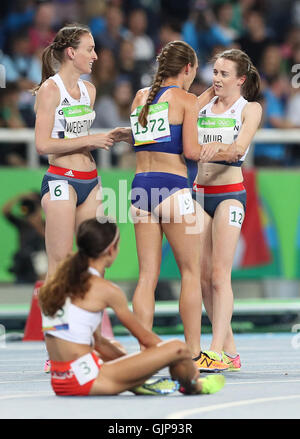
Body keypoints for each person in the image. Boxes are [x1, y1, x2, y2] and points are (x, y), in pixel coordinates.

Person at [129, 40, 234, 371]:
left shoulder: (140, 97)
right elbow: (189, 150)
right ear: (188, 69)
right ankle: (192, 351)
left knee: (147, 276)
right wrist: (219, 148)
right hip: (173, 189)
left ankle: (145, 352)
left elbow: (149, 137)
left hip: (140, 189)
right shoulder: (186, 99)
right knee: (190, 272)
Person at [39, 217, 225, 396]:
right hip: (86, 380)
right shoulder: (105, 289)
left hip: (60, 381)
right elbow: (146, 339)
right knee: (178, 347)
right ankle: (194, 385)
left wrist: (136, 368)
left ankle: (136, 384)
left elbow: (99, 343)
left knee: (113, 345)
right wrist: (181, 360)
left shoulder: (57, 282)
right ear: (111, 249)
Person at [34, 24, 125, 280]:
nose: (95, 56)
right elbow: (42, 144)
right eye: (90, 49)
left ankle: (91, 321)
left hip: (91, 182)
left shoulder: (90, 91)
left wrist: (114, 136)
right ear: (72, 53)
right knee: (60, 262)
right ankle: (54, 321)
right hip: (62, 179)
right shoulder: (50, 90)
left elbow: (80, 139)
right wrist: (92, 139)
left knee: (95, 262)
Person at [192, 48, 262, 371]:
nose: (216, 78)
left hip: (230, 194)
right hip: (199, 194)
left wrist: (215, 150)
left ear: (241, 80)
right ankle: (230, 350)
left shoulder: (250, 109)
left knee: (220, 275)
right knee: (203, 278)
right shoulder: (202, 104)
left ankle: (216, 350)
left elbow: (237, 150)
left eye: (223, 74)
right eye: (214, 72)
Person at [2, 191, 46, 283]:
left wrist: (37, 221)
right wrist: (21, 197)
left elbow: (45, 236)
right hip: (23, 265)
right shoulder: (22, 224)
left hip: (41, 268)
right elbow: (5, 211)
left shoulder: (45, 224)